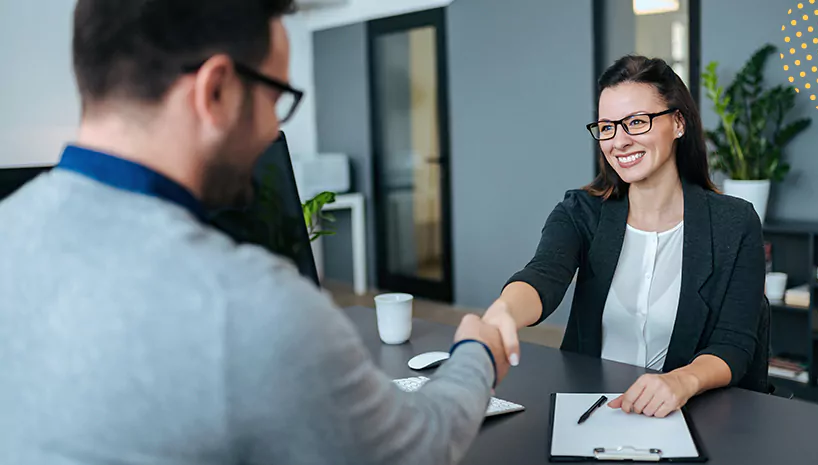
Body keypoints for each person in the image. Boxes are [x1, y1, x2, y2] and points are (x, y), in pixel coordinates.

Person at [0, 1, 509, 464]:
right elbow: (420, 448)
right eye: (276, 98)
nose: (273, 130)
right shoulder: (244, 306)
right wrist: (476, 353)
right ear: (216, 90)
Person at [482, 55, 767, 418]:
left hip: (690, 413)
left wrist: (682, 381)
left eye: (636, 122)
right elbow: (544, 274)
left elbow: (735, 343)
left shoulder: (734, 222)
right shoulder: (581, 211)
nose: (619, 141)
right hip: (592, 409)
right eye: (606, 127)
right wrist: (503, 313)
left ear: (678, 122)